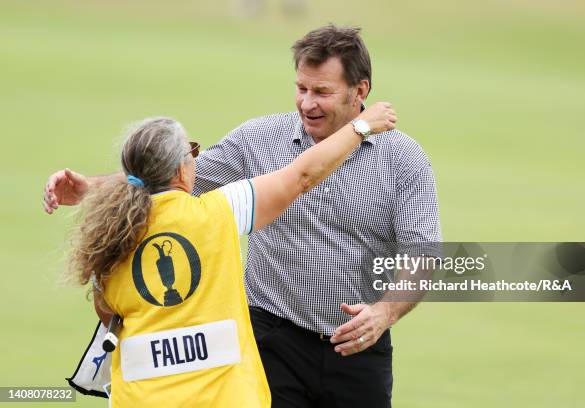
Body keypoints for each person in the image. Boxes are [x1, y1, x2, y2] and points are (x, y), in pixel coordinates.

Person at [44, 25, 440, 407]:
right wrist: (90, 189)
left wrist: (384, 312)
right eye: (301, 88)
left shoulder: (404, 160)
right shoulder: (258, 139)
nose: (306, 102)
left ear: (361, 91)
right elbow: (165, 174)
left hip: (360, 348)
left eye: (322, 91)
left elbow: (424, 254)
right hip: (271, 341)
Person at [63, 105, 396, 406]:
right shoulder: (219, 211)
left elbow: (108, 314)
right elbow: (301, 176)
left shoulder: (108, 238)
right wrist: (360, 128)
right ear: (181, 170)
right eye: (192, 152)